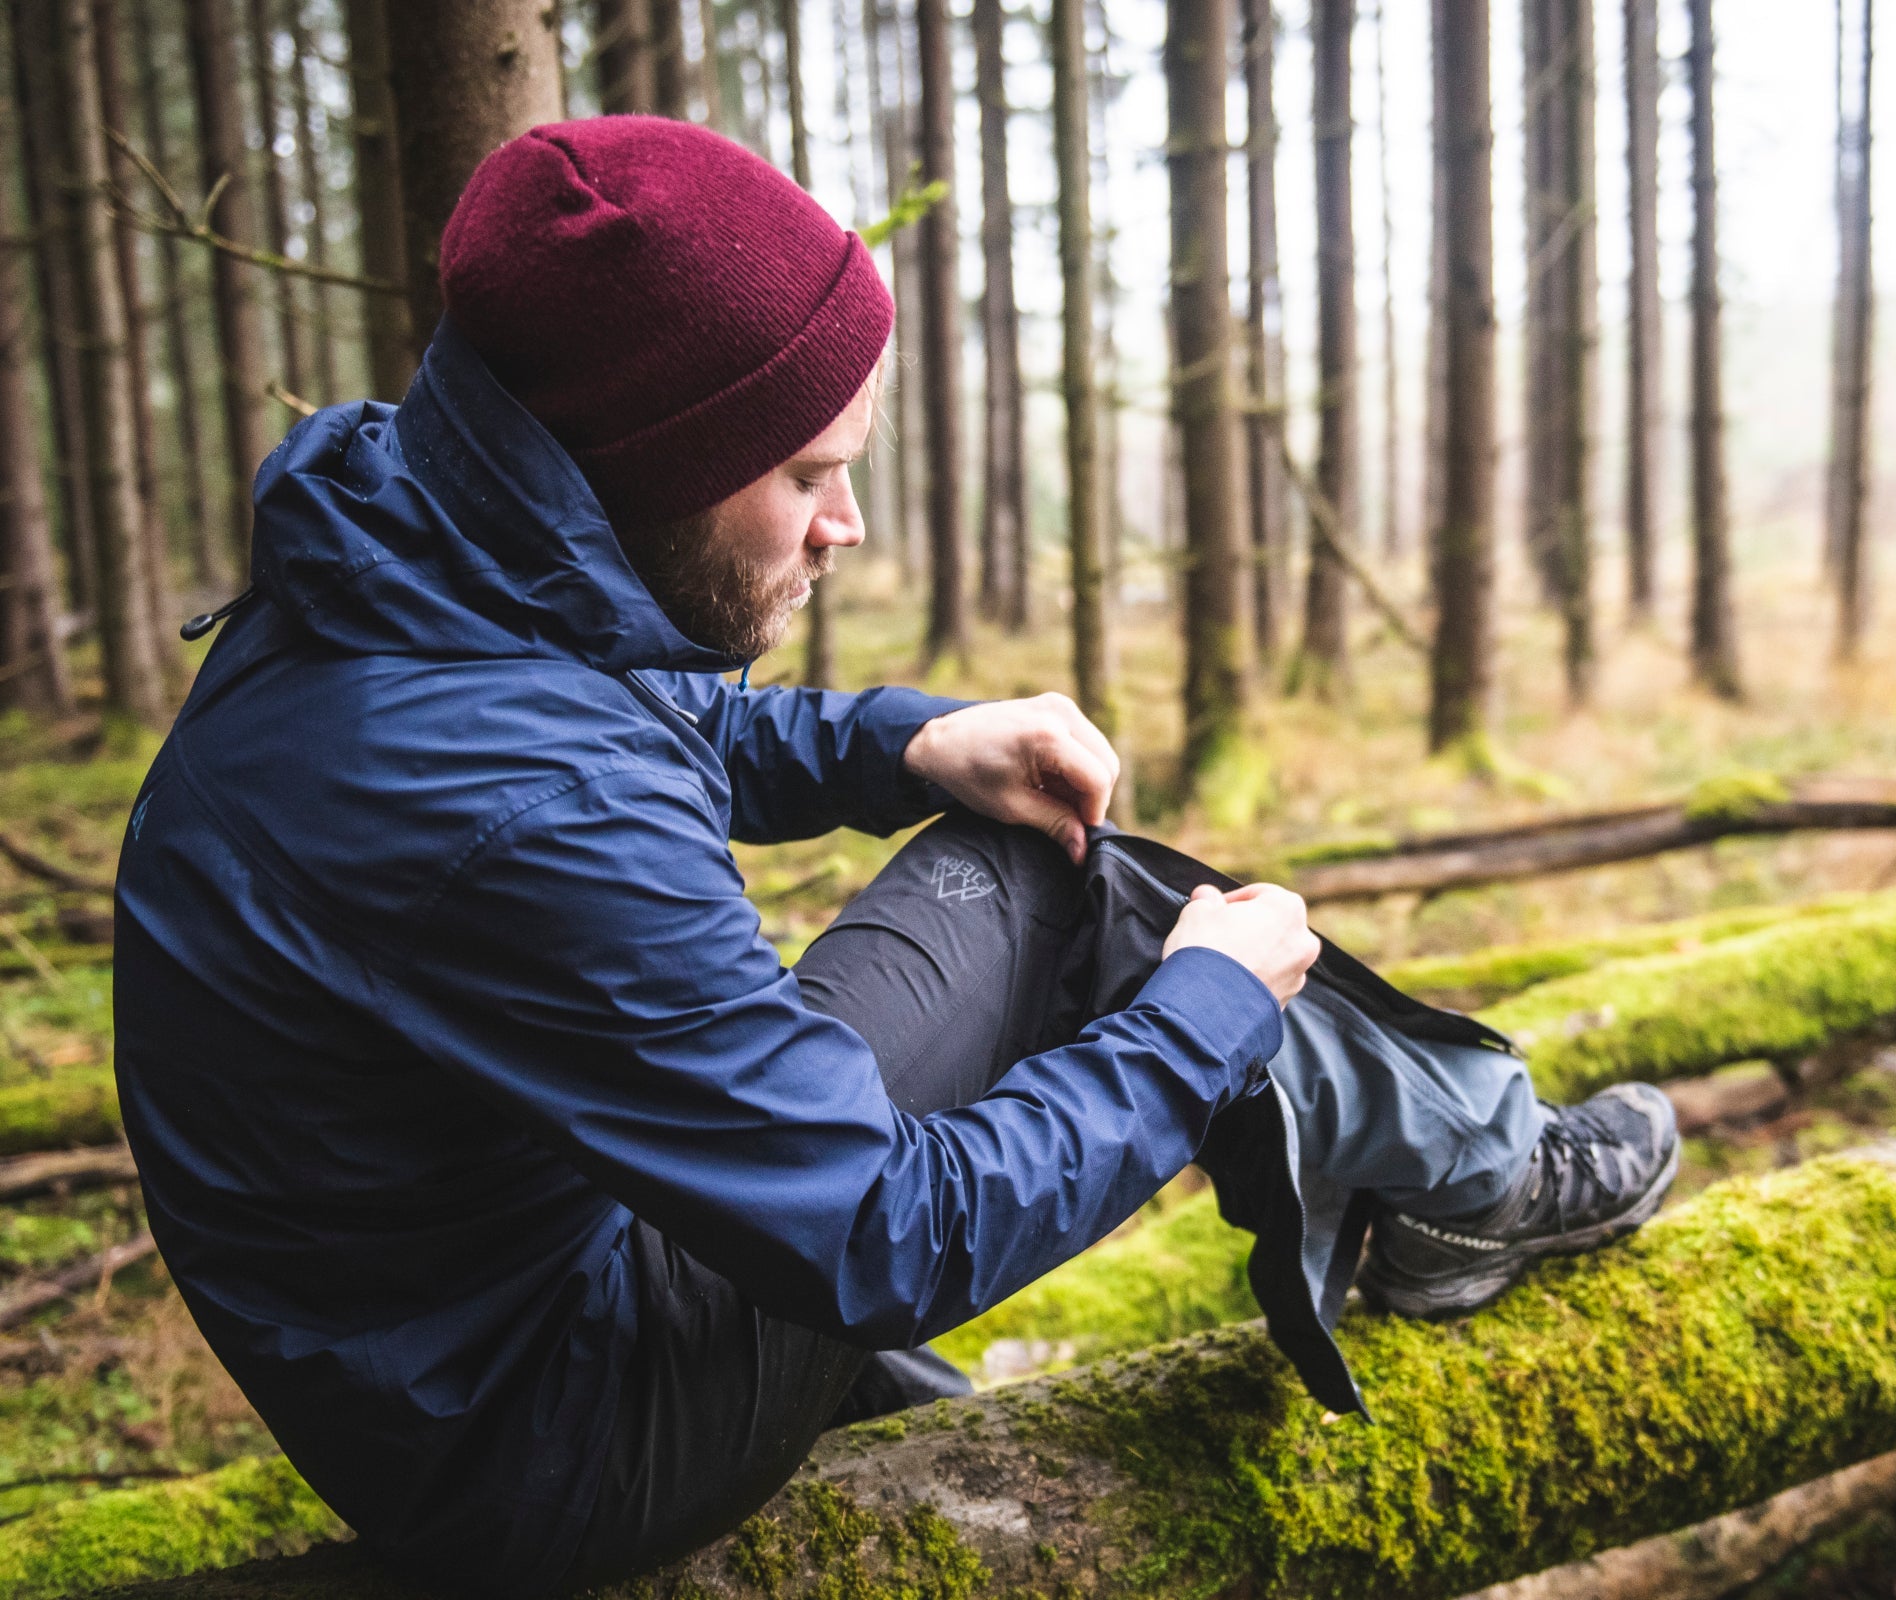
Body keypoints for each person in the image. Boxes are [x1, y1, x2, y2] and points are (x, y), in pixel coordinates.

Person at [111, 117, 1678, 1595]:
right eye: (804, 474)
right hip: (551, 1443)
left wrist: (909, 741)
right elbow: (880, 1232)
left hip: (450, 1355)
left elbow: (632, 727)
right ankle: (1477, 1175)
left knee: (1014, 833)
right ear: (643, 468)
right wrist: (1208, 1013)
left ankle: (1426, 1180)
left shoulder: (405, 552)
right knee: (1060, 884)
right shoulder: (524, 804)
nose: (843, 524)